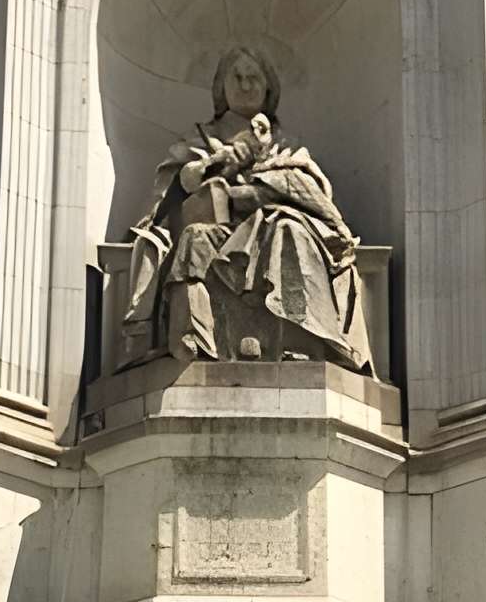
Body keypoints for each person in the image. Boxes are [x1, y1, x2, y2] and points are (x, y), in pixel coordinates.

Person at [123, 44, 372, 372]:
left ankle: (303, 341)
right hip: (220, 230)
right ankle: (193, 337)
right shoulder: (201, 138)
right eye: (236, 77)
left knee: (290, 229)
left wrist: (255, 189)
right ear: (221, 89)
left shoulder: (287, 146)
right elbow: (177, 186)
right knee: (195, 239)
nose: (245, 85)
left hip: (274, 226)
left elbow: (314, 193)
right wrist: (221, 162)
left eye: (254, 77)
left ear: (269, 88)